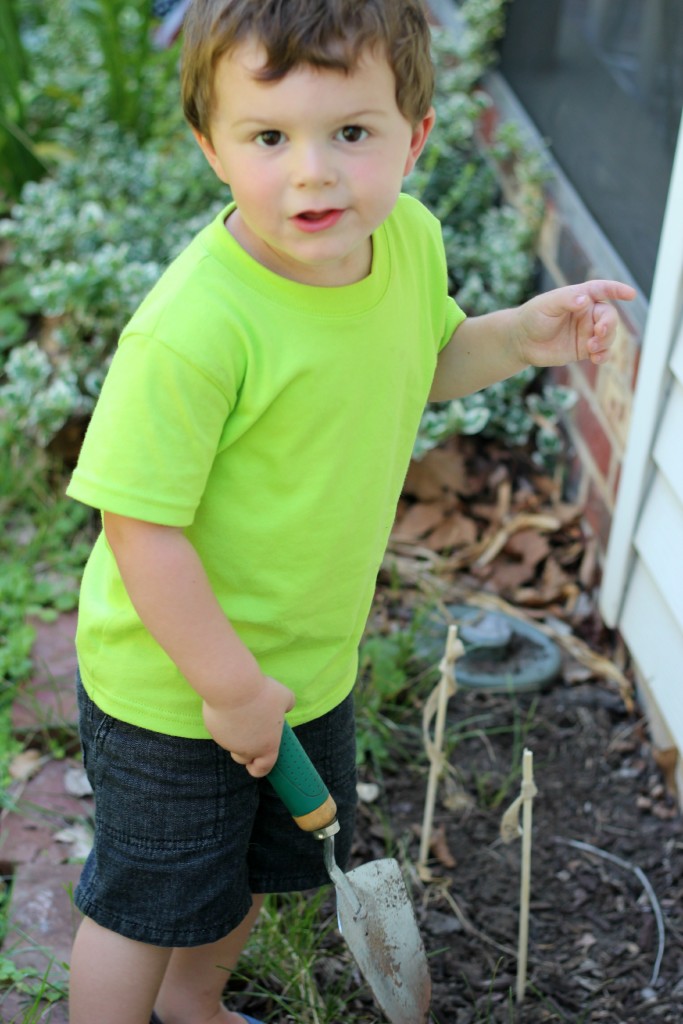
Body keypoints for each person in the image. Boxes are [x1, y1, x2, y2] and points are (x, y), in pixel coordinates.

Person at [66, 1, 635, 1022]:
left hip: (307, 661)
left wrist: (516, 337)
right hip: (176, 679)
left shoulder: (405, 239)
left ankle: (192, 1005)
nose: (314, 172)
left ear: (414, 135)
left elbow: (418, 359)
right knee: (147, 903)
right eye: (270, 137)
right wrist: (228, 686)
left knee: (252, 874)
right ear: (210, 146)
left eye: (352, 133)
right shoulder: (197, 328)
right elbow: (137, 527)